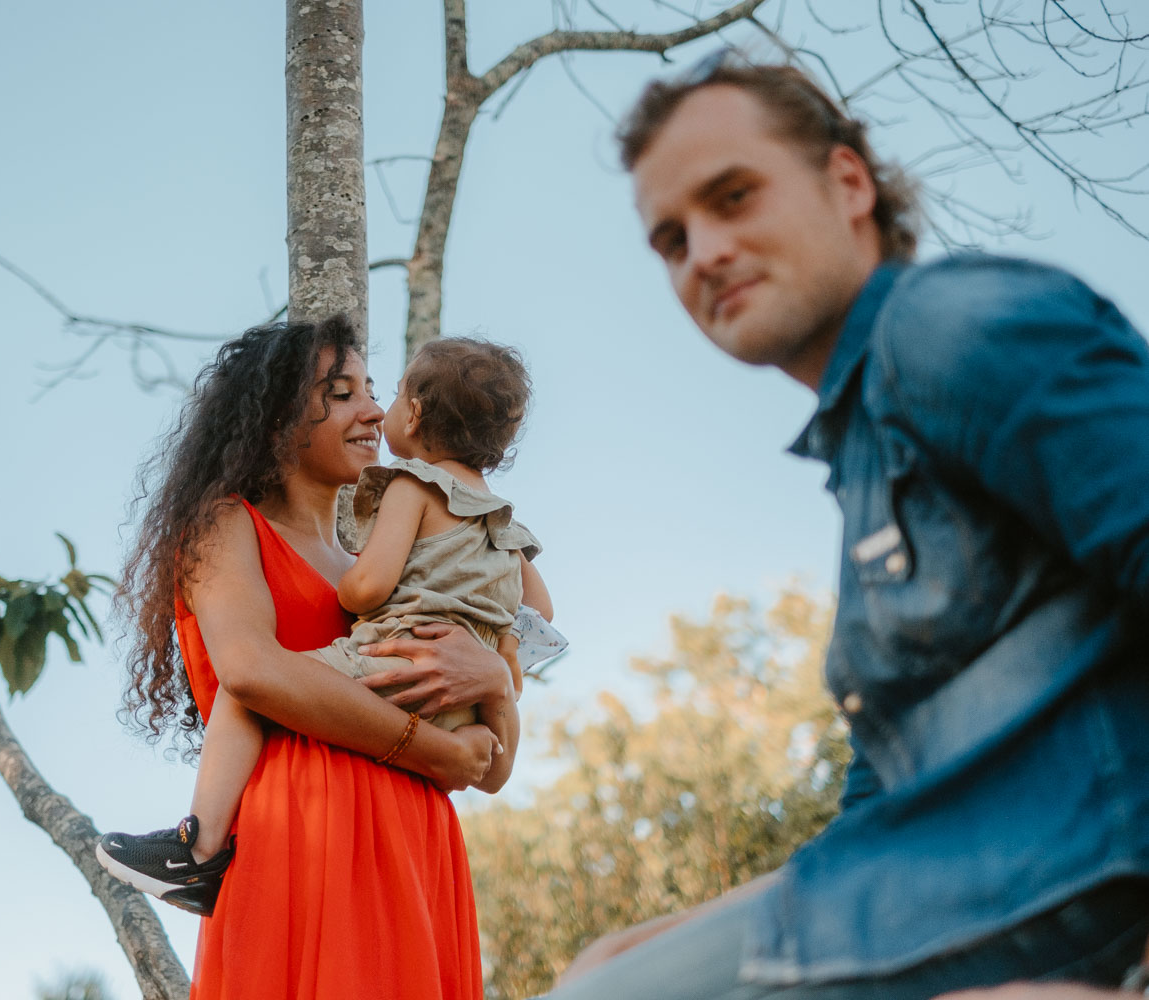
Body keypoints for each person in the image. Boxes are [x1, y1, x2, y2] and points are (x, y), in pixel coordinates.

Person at [549, 52, 1149, 1000]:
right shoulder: (869, 447)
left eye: (734, 197)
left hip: (1054, 916)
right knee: (598, 981)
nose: (703, 252)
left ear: (848, 181)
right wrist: (664, 936)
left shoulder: (949, 328)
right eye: (671, 238)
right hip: (913, 908)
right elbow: (885, 804)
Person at [108, 315, 515, 1000]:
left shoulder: (385, 567)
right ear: (274, 418)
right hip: (302, 833)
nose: (374, 411)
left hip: (417, 844)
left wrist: (498, 680)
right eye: (340, 393)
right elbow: (251, 672)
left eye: (373, 390)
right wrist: (430, 751)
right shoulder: (227, 523)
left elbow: (493, 765)